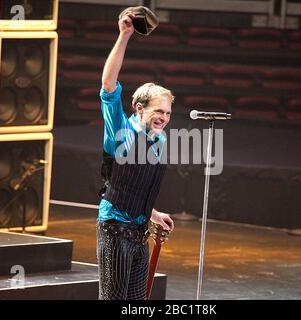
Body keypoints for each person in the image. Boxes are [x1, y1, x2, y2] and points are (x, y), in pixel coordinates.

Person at [96, 9, 175, 300]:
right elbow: (108, 86)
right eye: (158, 111)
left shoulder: (161, 140)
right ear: (140, 108)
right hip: (115, 231)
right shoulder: (119, 129)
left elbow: (138, 186)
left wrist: (153, 214)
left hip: (140, 232)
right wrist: (124, 34)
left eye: (168, 112)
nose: (164, 117)